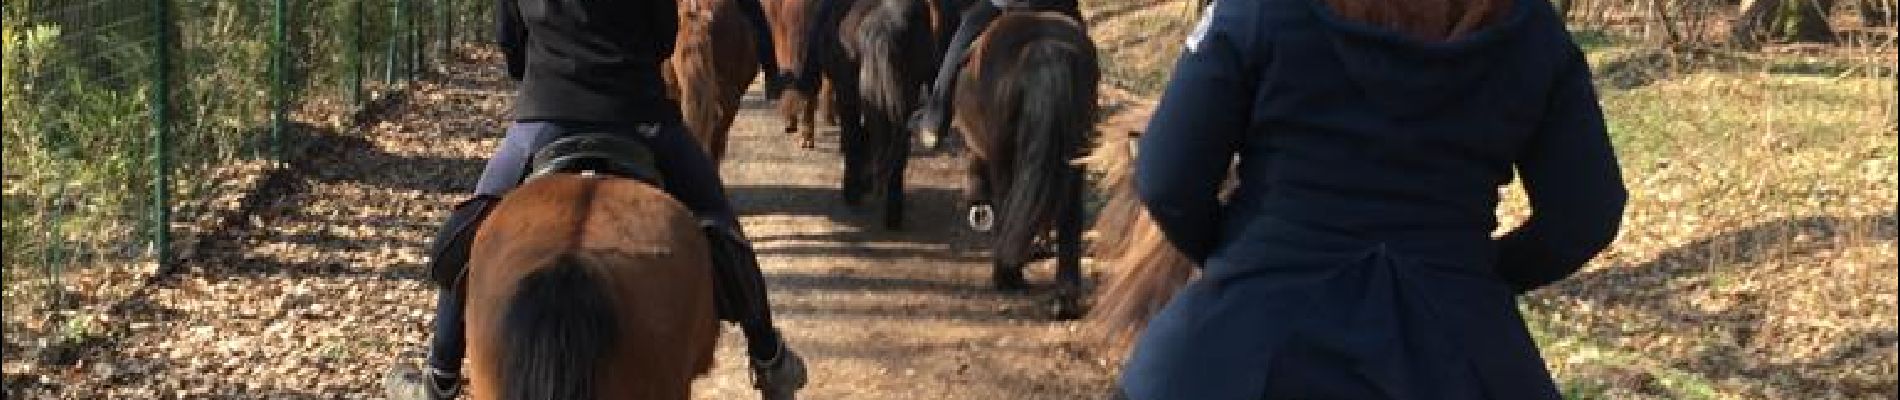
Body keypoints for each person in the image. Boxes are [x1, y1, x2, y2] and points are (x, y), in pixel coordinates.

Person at [1116, 0, 1627, 398]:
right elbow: (1587, 213)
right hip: (1457, 346)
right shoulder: (1531, 29)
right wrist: (1471, 274)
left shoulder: (1260, 10)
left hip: (1247, 339)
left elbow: (1166, 178)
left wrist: (1243, 258)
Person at [390, 0, 808, 399]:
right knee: (721, 224)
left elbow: (510, 44)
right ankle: (767, 356)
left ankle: (440, 377)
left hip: (545, 117)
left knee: (467, 232)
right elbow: (663, 37)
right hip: (640, 117)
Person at [905, 0, 1080, 143]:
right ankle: (1088, 118)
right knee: (1081, 42)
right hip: (1060, 5)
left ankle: (936, 116)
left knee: (961, 38)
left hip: (1008, 4)